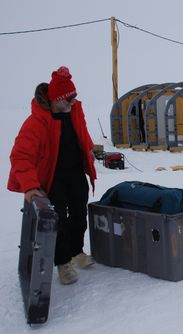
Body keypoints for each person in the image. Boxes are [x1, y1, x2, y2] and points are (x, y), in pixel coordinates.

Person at [8, 66, 97, 285]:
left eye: (74, 98)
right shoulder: (36, 122)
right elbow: (20, 156)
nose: (72, 103)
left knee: (79, 214)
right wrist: (30, 186)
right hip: (52, 177)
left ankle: (76, 252)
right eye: (67, 100)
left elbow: (82, 134)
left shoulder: (75, 111)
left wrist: (90, 151)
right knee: (58, 221)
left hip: (75, 173)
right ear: (55, 100)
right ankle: (63, 262)